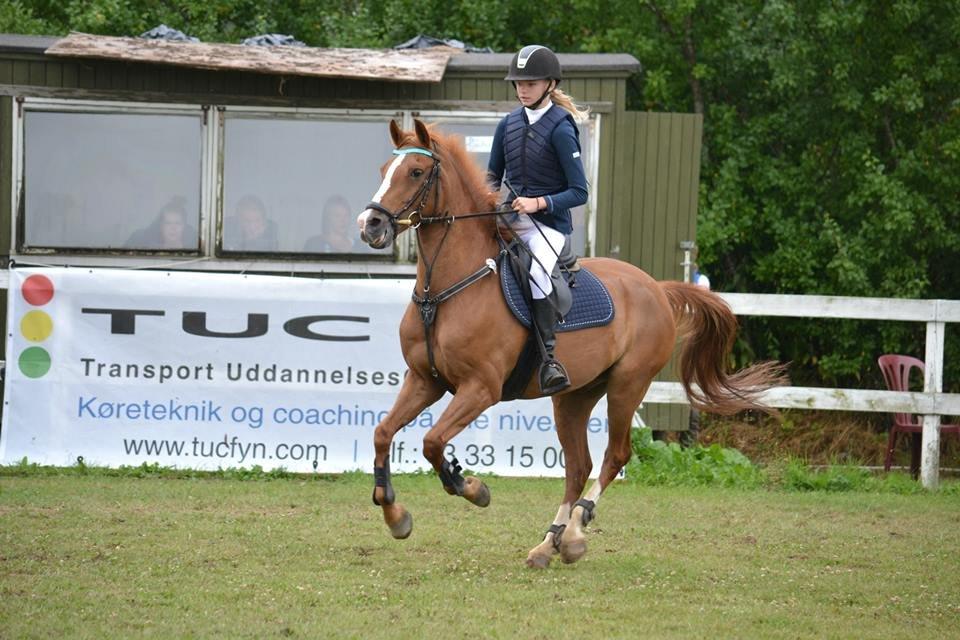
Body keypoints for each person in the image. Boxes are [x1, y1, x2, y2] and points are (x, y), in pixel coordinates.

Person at [487, 45, 589, 395]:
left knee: (537, 272)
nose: (522, 89)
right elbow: (491, 177)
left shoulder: (562, 128)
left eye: (530, 82)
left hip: (550, 227)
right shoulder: (508, 124)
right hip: (511, 218)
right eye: (518, 83)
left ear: (550, 83)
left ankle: (548, 359)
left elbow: (580, 192)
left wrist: (538, 203)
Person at [126, 196, 197, 250]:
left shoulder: (193, 250)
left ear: (184, 226)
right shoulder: (150, 251)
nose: (173, 228)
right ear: (161, 226)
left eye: (178, 223)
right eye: (168, 223)